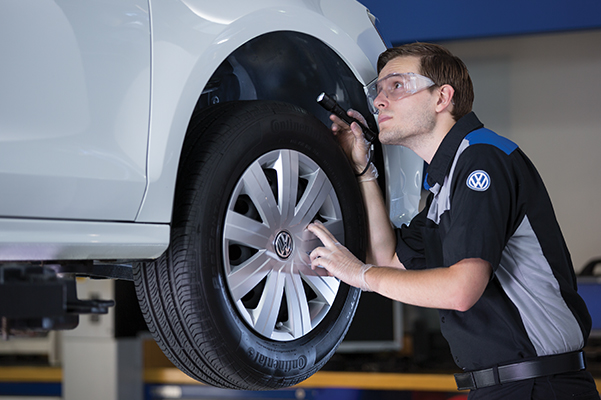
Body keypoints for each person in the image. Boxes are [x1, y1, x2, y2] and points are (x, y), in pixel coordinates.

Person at [307, 43, 599, 399]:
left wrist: (358, 275)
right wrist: (363, 171)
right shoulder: (444, 185)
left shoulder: (482, 159)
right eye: (377, 92)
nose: (379, 101)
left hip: (538, 387)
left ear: (442, 97)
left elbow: (461, 290)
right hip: (506, 386)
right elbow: (387, 259)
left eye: (396, 86)